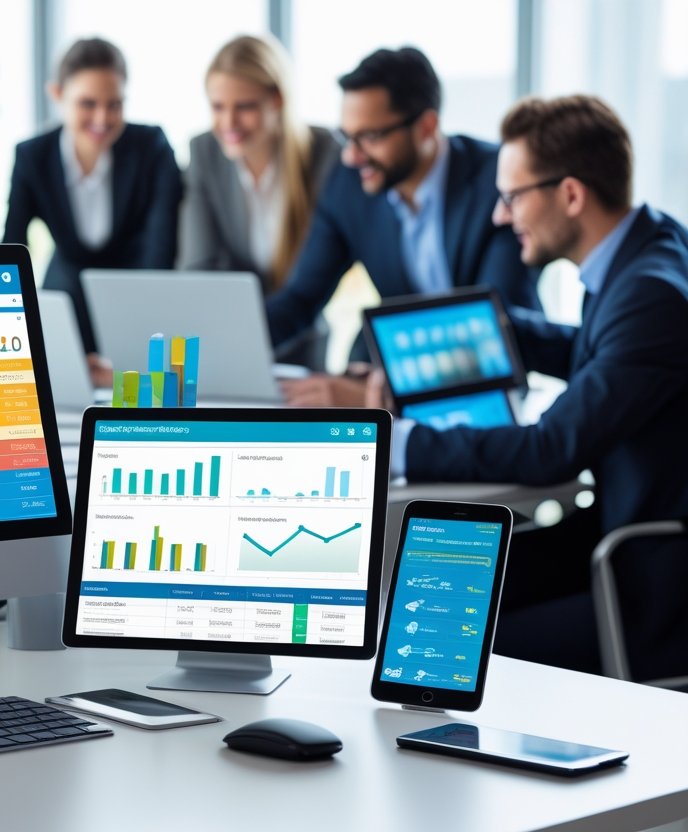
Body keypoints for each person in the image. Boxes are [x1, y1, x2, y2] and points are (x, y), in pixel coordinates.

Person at [375, 94, 688, 680]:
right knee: (433, 590)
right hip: (615, 540)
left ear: (570, 194)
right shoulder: (650, 248)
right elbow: (600, 355)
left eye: (513, 196)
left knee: (442, 640)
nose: (500, 215)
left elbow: (551, 449)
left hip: (651, 585)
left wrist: (403, 442)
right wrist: (498, 332)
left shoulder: (651, 296)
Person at [268, 47, 542, 403]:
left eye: (371, 137)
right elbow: (302, 298)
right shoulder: (347, 185)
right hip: (386, 369)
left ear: (426, 126)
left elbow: (494, 330)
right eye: (346, 137)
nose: (352, 155)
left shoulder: (498, 183)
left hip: (486, 382)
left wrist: (378, 393)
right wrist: (227, 347)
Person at [3, 37, 182, 359]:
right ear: (57, 95)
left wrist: (142, 331)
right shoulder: (33, 156)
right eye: (88, 103)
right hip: (65, 297)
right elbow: (12, 246)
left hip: (138, 293)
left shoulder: (151, 147)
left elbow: (162, 245)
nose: (102, 119)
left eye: (114, 104)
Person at [180, 35, 340, 369]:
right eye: (218, 107)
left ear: (277, 100)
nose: (228, 123)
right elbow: (200, 265)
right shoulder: (204, 152)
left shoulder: (324, 153)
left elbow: (315, 276)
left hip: (302, 347)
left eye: (245, 107)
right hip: (223, 345)